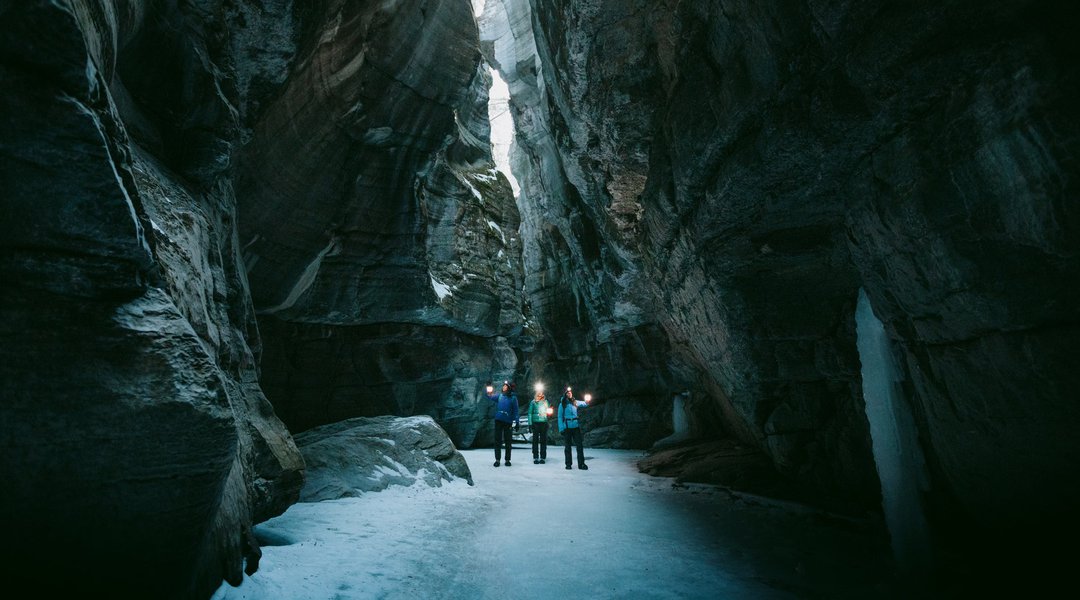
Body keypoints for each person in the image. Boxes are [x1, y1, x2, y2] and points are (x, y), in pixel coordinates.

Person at [486, 381, 519, 467]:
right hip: (499, 420)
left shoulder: (513, 398)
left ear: (509, 388)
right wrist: (488, 389)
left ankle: (507, 460)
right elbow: (490, 396)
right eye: (503, 386)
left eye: (505, 386)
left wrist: (517, 422)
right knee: (497, 440)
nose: (503, 387)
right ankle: (497, 459)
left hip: (508, 421)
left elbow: (516, 410)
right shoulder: (500, 396)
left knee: (508, 441)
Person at [557, 387, 589, 470]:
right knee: (568, 446)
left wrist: (587, 401)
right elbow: (560, 417)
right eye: (568, 392)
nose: (570, 393)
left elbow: (584, 404)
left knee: (579, 446)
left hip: (575, 427)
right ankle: (568, 464)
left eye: (570, 392)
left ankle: (581, 464)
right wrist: (561, 429)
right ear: (565, 394)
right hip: (567, 427)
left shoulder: (575, 402)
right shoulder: (562, 404)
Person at [528, 389, 551, 464]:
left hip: (544, 422)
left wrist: (549, 415)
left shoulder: (546, 402)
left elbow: (548, 411)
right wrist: (530, 423)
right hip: (535, 423)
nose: (540, 393)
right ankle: (535, 457)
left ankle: (543, 457)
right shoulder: (533, 402)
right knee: (535, 440)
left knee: (543, 440)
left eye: (541, 392)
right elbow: (530, 413)